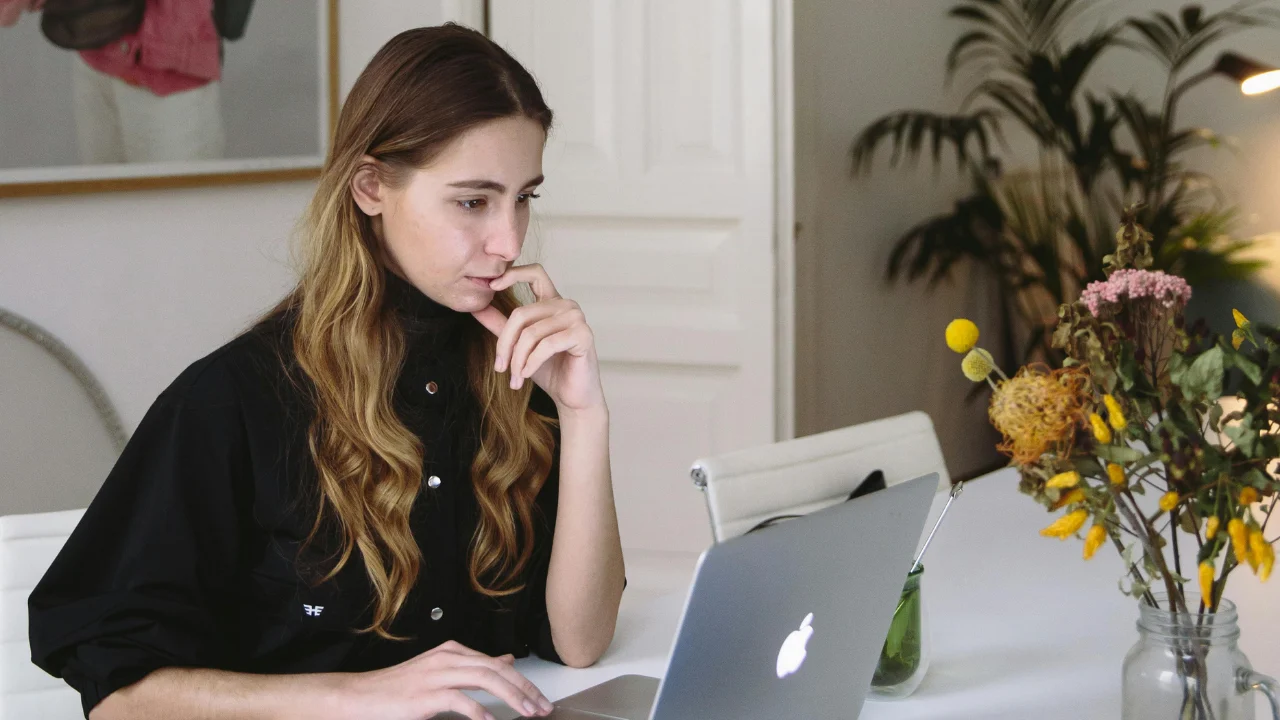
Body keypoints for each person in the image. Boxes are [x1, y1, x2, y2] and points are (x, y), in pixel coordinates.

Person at [28, 23, 626, 720]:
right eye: (473, 201)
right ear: (371, 187)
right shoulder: (233, 400)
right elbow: (119, 698)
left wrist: (585, 417)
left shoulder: (515, 376)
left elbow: (579, 643)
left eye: (525, 197)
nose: (508, 239)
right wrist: (356, 694)